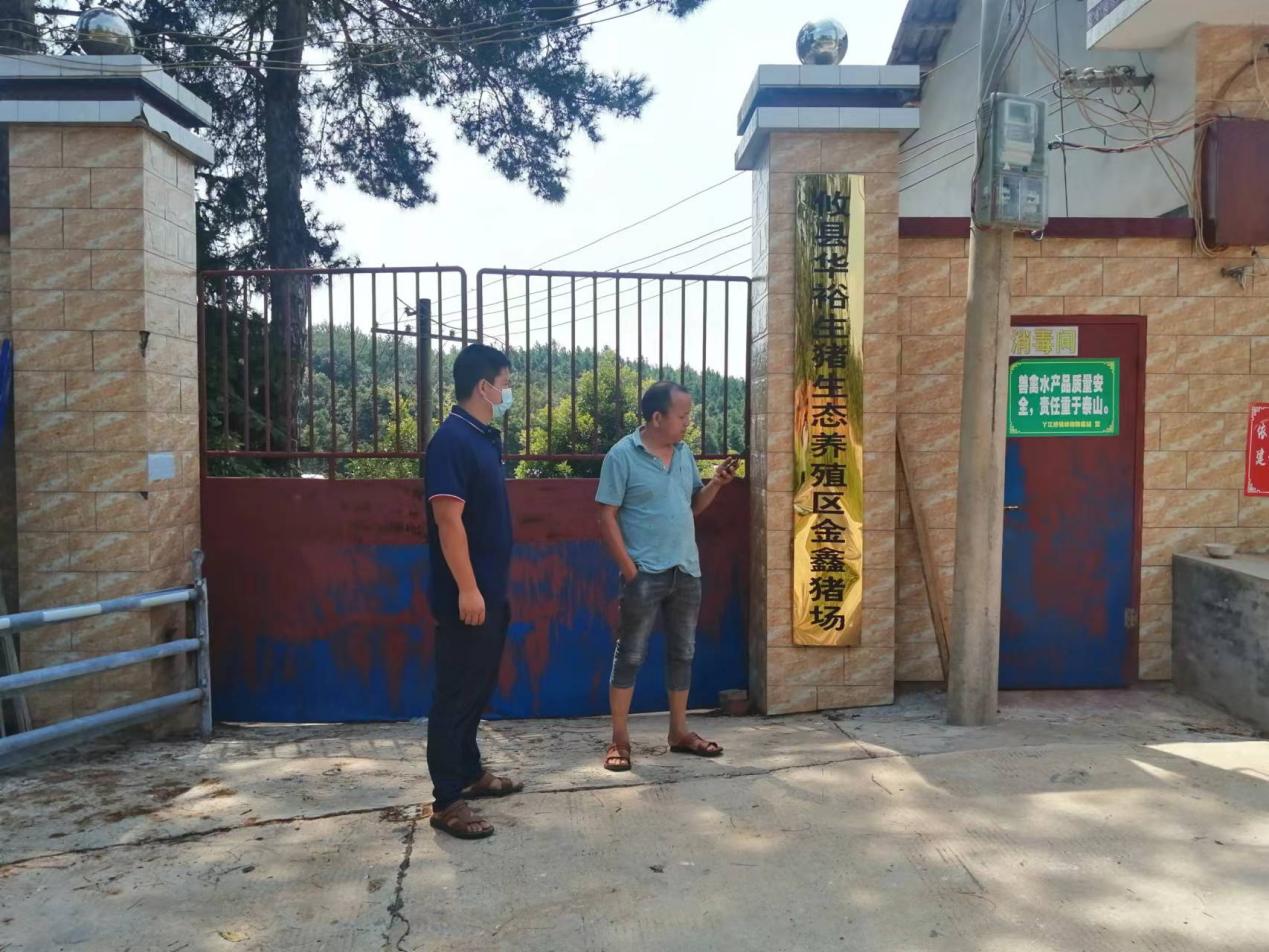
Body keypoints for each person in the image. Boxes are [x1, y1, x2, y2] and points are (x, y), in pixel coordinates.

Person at [595, 380, 738, 772]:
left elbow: (692, 506)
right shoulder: (622, 455)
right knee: (631, 655)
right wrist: (630, 570)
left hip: (686, 570)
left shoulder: (684, 454)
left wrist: (716, 484)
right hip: (644, 574)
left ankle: (679, 732)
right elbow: (605, 516)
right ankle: (619, 739)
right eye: (682, 415)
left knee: (683, 653)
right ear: (657, 417)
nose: (687, 422)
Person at [424, 343, 522, 840]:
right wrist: (467, 588)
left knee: (477, 688)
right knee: (455, 694)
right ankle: (447, 800)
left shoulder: (483, 438)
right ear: (484, 387)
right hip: (467, 595)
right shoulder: (451, 441)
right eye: (505, 384)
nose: (508, 393)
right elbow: (448, 520)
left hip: (490, 590)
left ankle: (469, 771)